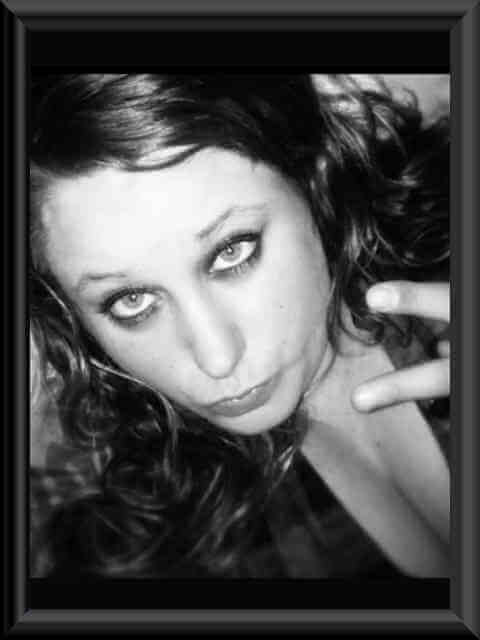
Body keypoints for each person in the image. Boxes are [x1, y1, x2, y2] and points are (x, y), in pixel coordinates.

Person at [29, 74, 450, 579]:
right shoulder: (172, 533)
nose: (217, 357)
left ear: (312, 177)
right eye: (131, 301)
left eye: (232, 251)